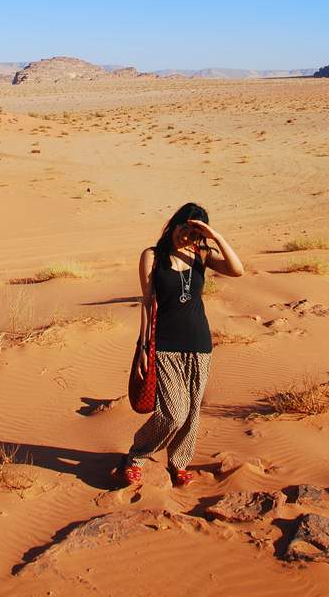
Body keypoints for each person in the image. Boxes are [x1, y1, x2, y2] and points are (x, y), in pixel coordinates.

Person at [119, 202, 244, 487]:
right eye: (183, 228)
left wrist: (216, 237)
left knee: (192, 413)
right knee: (173, 412)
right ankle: (138, 454)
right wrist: (142, 348)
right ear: (174, 224)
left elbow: (238, 271)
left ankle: (178, 463)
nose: (185, 236)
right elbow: (148, 302)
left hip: (199, 343)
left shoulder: (201, 254)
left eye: (193, 233)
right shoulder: (152, 256)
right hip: (164, 344)